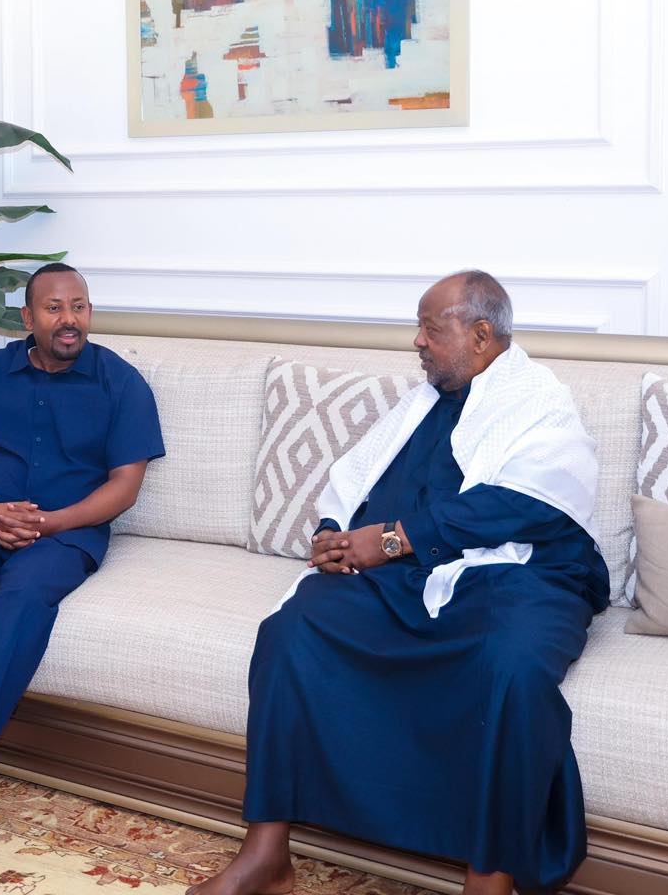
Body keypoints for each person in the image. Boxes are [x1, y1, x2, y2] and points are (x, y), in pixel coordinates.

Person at [191, 272, 609, 895]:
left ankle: (489, 877)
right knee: (293, 629)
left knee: (511, 667)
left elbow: (529, 505)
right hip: (413, 575)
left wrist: (391, 540)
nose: (417, 342)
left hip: (521, 573)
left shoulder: (539, 401)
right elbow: (358, 478)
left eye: (430, 329)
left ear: (481, 334)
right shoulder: (423, 402)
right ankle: (267, 852)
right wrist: (334, 535)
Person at [0, 263, 165, 803]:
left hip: (65, 532)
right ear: (27, 317)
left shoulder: (121, 382)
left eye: (79, 307)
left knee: (17, 603)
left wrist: (51, 522)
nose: (70, 319)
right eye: (54, 308)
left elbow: (125, 486)